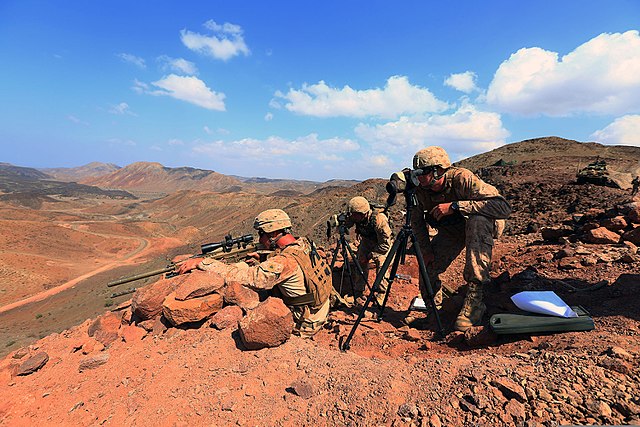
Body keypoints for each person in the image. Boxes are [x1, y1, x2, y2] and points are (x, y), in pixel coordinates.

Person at [177, 209, 332, 338]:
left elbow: (249, 278)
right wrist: (265, 257)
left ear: (274, 234)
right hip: (321, 308)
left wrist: (203, 263)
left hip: (306, 322)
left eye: (261, 233)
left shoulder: (282, 262)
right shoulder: (303, 243)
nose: (259, 238)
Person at [410, 146, 511, 331]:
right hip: (453, 231)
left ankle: (475, 300)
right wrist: (425, 250)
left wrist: (456, 206)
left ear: (438, 170)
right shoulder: (421, 190)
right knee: (428, 267)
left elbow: (502, 207)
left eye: (422, 173)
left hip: (480, 227)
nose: (419, 178)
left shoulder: (462, 178)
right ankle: (434, 311)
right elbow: (416, 223)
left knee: (477, 220)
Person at [344, 196, 393, 305]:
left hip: (381, 243)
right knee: (359, 262)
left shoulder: (379, 219)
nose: (353, 217)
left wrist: (369, 256)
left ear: (364, 213)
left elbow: (385, 245)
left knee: (381, 264)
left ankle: (381, 293)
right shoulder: (355, 215)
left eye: (354, 215)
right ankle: (358, 292)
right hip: (367, 240)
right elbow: (346, 224)